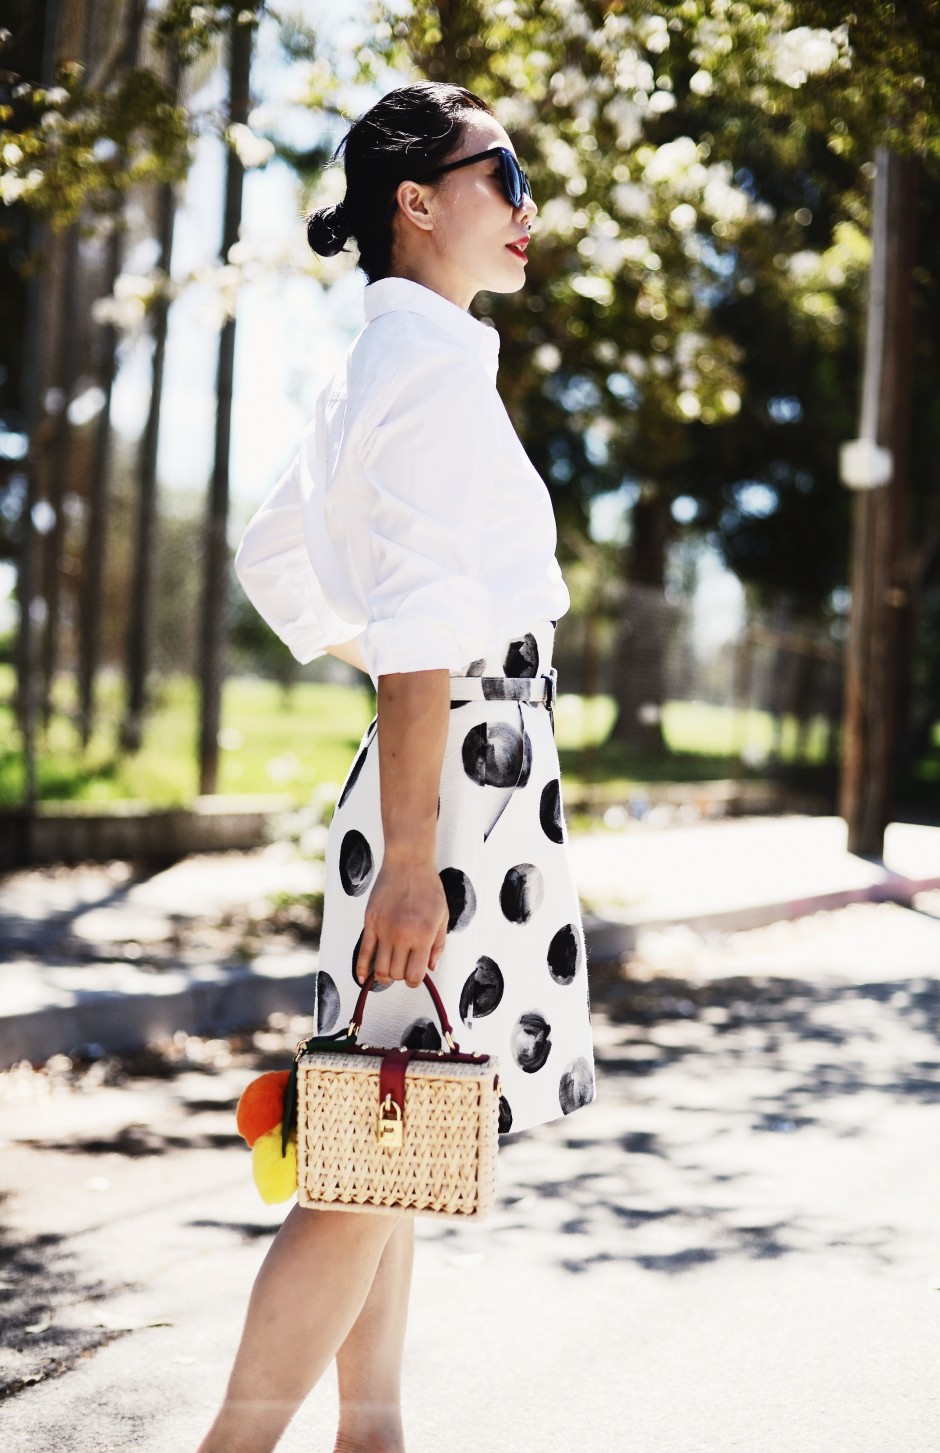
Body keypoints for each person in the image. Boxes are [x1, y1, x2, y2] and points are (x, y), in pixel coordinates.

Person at [196, 80, 596, 1453]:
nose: (528, 207)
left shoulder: (384, 362)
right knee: (362, 1163)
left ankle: (373, 1433)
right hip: (453, 786)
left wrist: (377, 672)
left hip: (435, 771)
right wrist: (417, 839)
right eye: (508, 174)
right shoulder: (420, 373)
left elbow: (276, 555)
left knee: (393, 1127)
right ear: (416, 201)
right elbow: (423, 623)